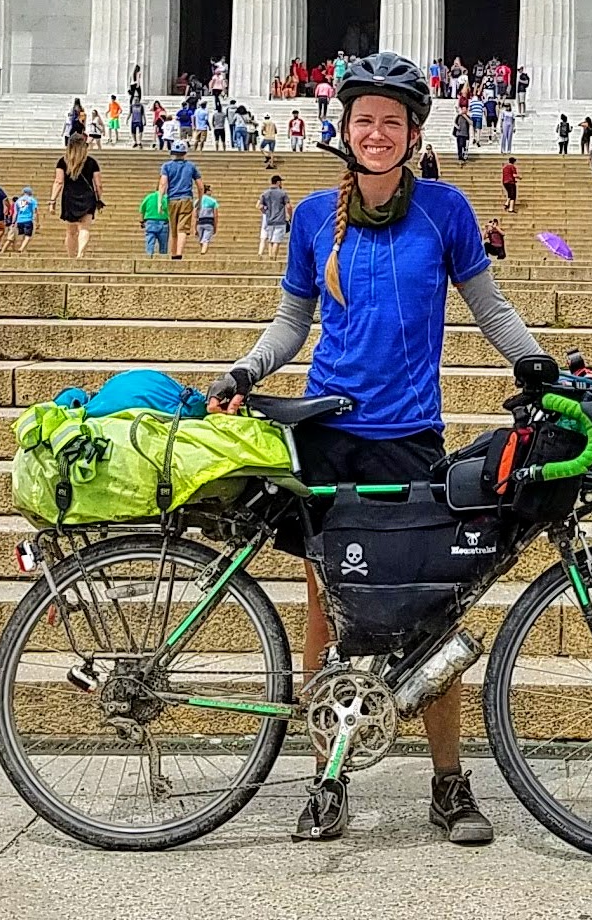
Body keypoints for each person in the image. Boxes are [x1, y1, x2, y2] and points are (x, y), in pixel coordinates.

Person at [205, 52, 541, 845]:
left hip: (410, 434)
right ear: (346, 131)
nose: (378, 133)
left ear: (415, 134)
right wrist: (245, 369)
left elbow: (488, 306)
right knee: (328, 608)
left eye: (393, 121)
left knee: (430, 611)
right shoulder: (317, 215)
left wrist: (535, 360)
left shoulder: (447, 212)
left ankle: (450, 784)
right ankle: (328, 783)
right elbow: (293, 322)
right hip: (327, 434)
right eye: (365, 121)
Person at [50, 135, 103, 258]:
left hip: (69, 197)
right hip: (87, 197)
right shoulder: (91, 162)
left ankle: (71, 256)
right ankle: (80, 253)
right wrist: (99, 199)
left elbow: (58, 182)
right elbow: (98, 184)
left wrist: (52, 200)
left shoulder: (63, 161)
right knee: (84, 228)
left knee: (71, 232)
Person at [159, 139, 201, 260]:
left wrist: (160, 201)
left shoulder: (166, 166)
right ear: (185, 153)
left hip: (172, 199)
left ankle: (173, 253)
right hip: (186, 198)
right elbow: (200, 185)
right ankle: (178, 253)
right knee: (182, 228)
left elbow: (163, 184)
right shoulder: (191, 166)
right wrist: (200, 199)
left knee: (174, 228)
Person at [257, 174, 291, 258]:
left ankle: (270, 255)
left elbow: (260, 206)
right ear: (278, 182)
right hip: (280, 220)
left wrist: (265, 212)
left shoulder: (265, 194)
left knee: (270, 240)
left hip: (269, 220)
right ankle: (273, 257)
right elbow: (288, 206)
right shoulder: (282, 193)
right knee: (277, 241)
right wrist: (290, 216)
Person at [139, 187, 170, 257]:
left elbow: (142, 209)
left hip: (150, 221)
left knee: (150, 241)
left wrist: (141, 221)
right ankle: (163, 257)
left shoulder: (149, 197)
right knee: (163, 243)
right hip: (163, 222)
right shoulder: (165, 198)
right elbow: (168, 209)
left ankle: (149, 255)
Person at [10, 186, 37, 252]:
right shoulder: (32, 200)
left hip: (19, 220)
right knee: (28, 235)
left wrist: (13, 222)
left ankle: (24, 249)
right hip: (28, 220)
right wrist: (36, 221)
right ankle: (21, 248)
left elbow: (15, 213)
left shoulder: (18, 201)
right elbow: (35, 211)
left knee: (22, 235)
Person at [195, 181, 219, 253]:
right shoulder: (213, 201)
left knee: (201, 239)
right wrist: (215, 226)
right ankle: (203, 252)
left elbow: (195, 215)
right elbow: (215, 215)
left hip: (200, 222)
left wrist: (194, 226)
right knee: (206, 239)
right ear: (207, 191)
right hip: (209, 222)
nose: (211, 192)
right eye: (210, 190)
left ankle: (203, 250)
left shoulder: (197, 201)